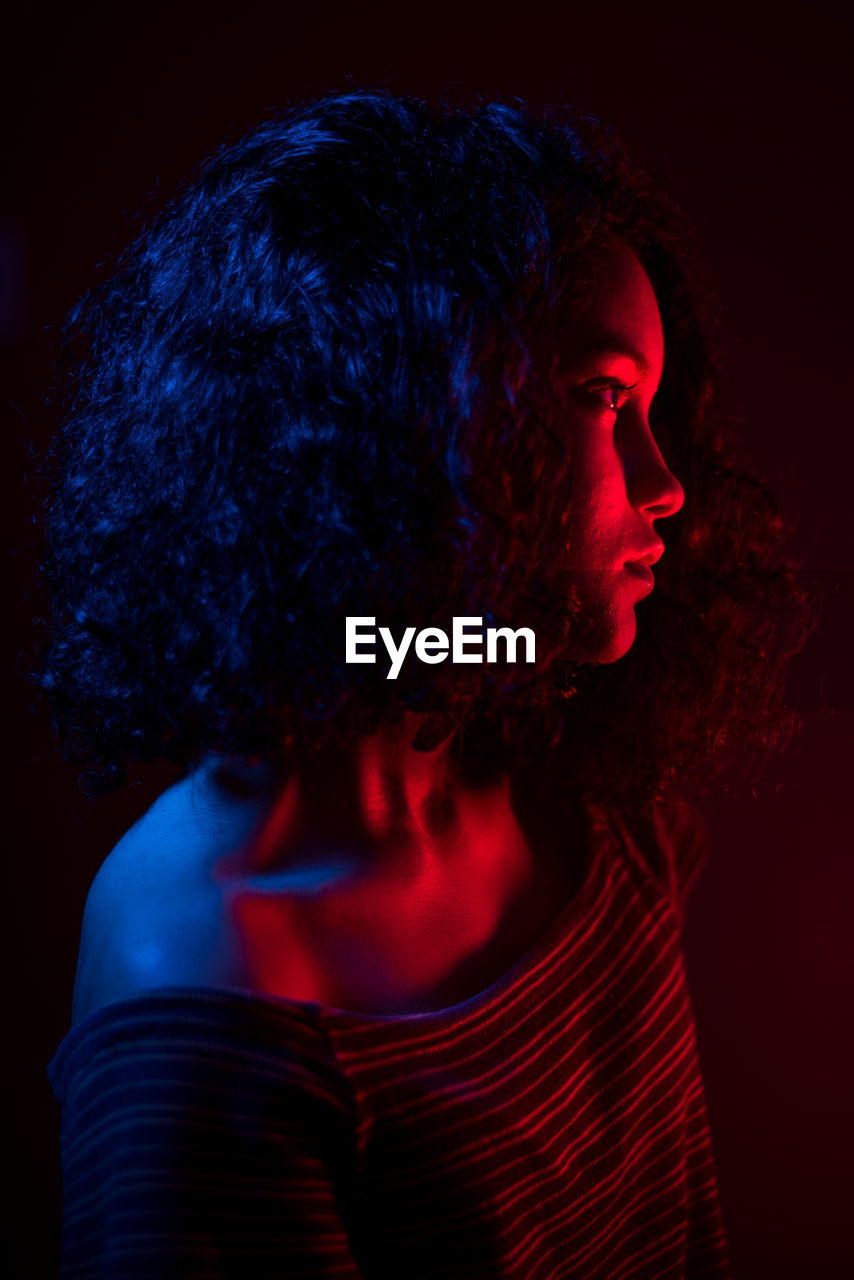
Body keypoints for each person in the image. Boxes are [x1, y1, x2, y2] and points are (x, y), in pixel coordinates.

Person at [38, 90, 807, 1277]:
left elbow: (384, 652)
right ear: (412, 416)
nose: (665, 485)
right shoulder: (210, 993)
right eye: (604, 399)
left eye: (651, 409)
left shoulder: (577, 778)